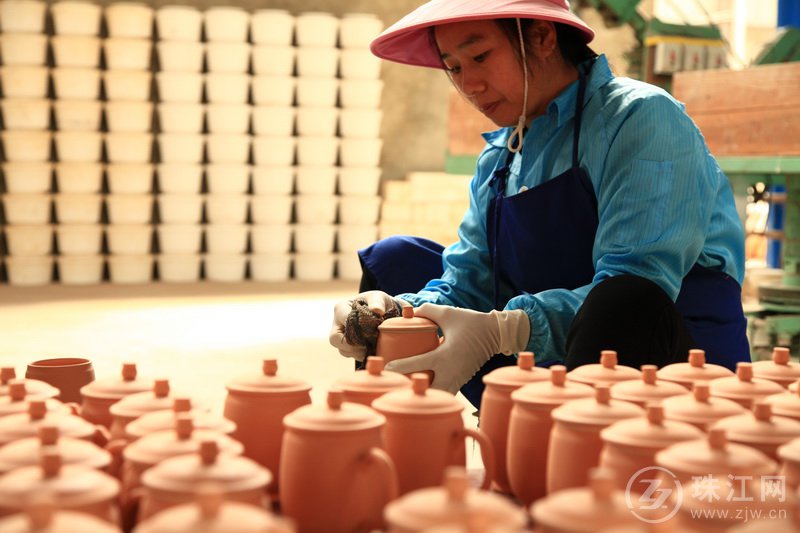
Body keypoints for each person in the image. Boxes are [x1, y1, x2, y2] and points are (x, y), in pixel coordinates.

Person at [328, 0, 749, 409]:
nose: (468, 84)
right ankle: (389, 435)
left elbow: (639, 281)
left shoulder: (640, 118)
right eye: (454, 67)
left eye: (479, 56)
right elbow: (467, 280)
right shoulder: (503, 155)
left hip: (667, 361)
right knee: (395, 259)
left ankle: (584, 452)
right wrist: (400, 309)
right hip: (548, 352)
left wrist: (504, 330)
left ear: (543, 37)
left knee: (624, 299)